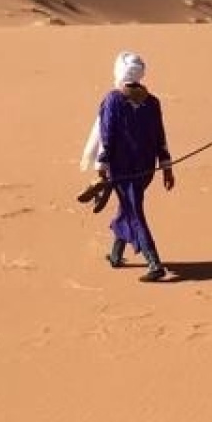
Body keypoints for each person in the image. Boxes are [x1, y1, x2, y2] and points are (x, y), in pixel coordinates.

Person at [81, 50, 176, 281]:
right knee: (129, 205)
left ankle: (154, 263)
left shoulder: (113, 100)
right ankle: (116, 255)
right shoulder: (152, 102)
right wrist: (166, 167)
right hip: (145, 170)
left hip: (121, 169)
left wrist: (101, 166)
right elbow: (159, 136)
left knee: (134, 211)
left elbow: (107, 135)